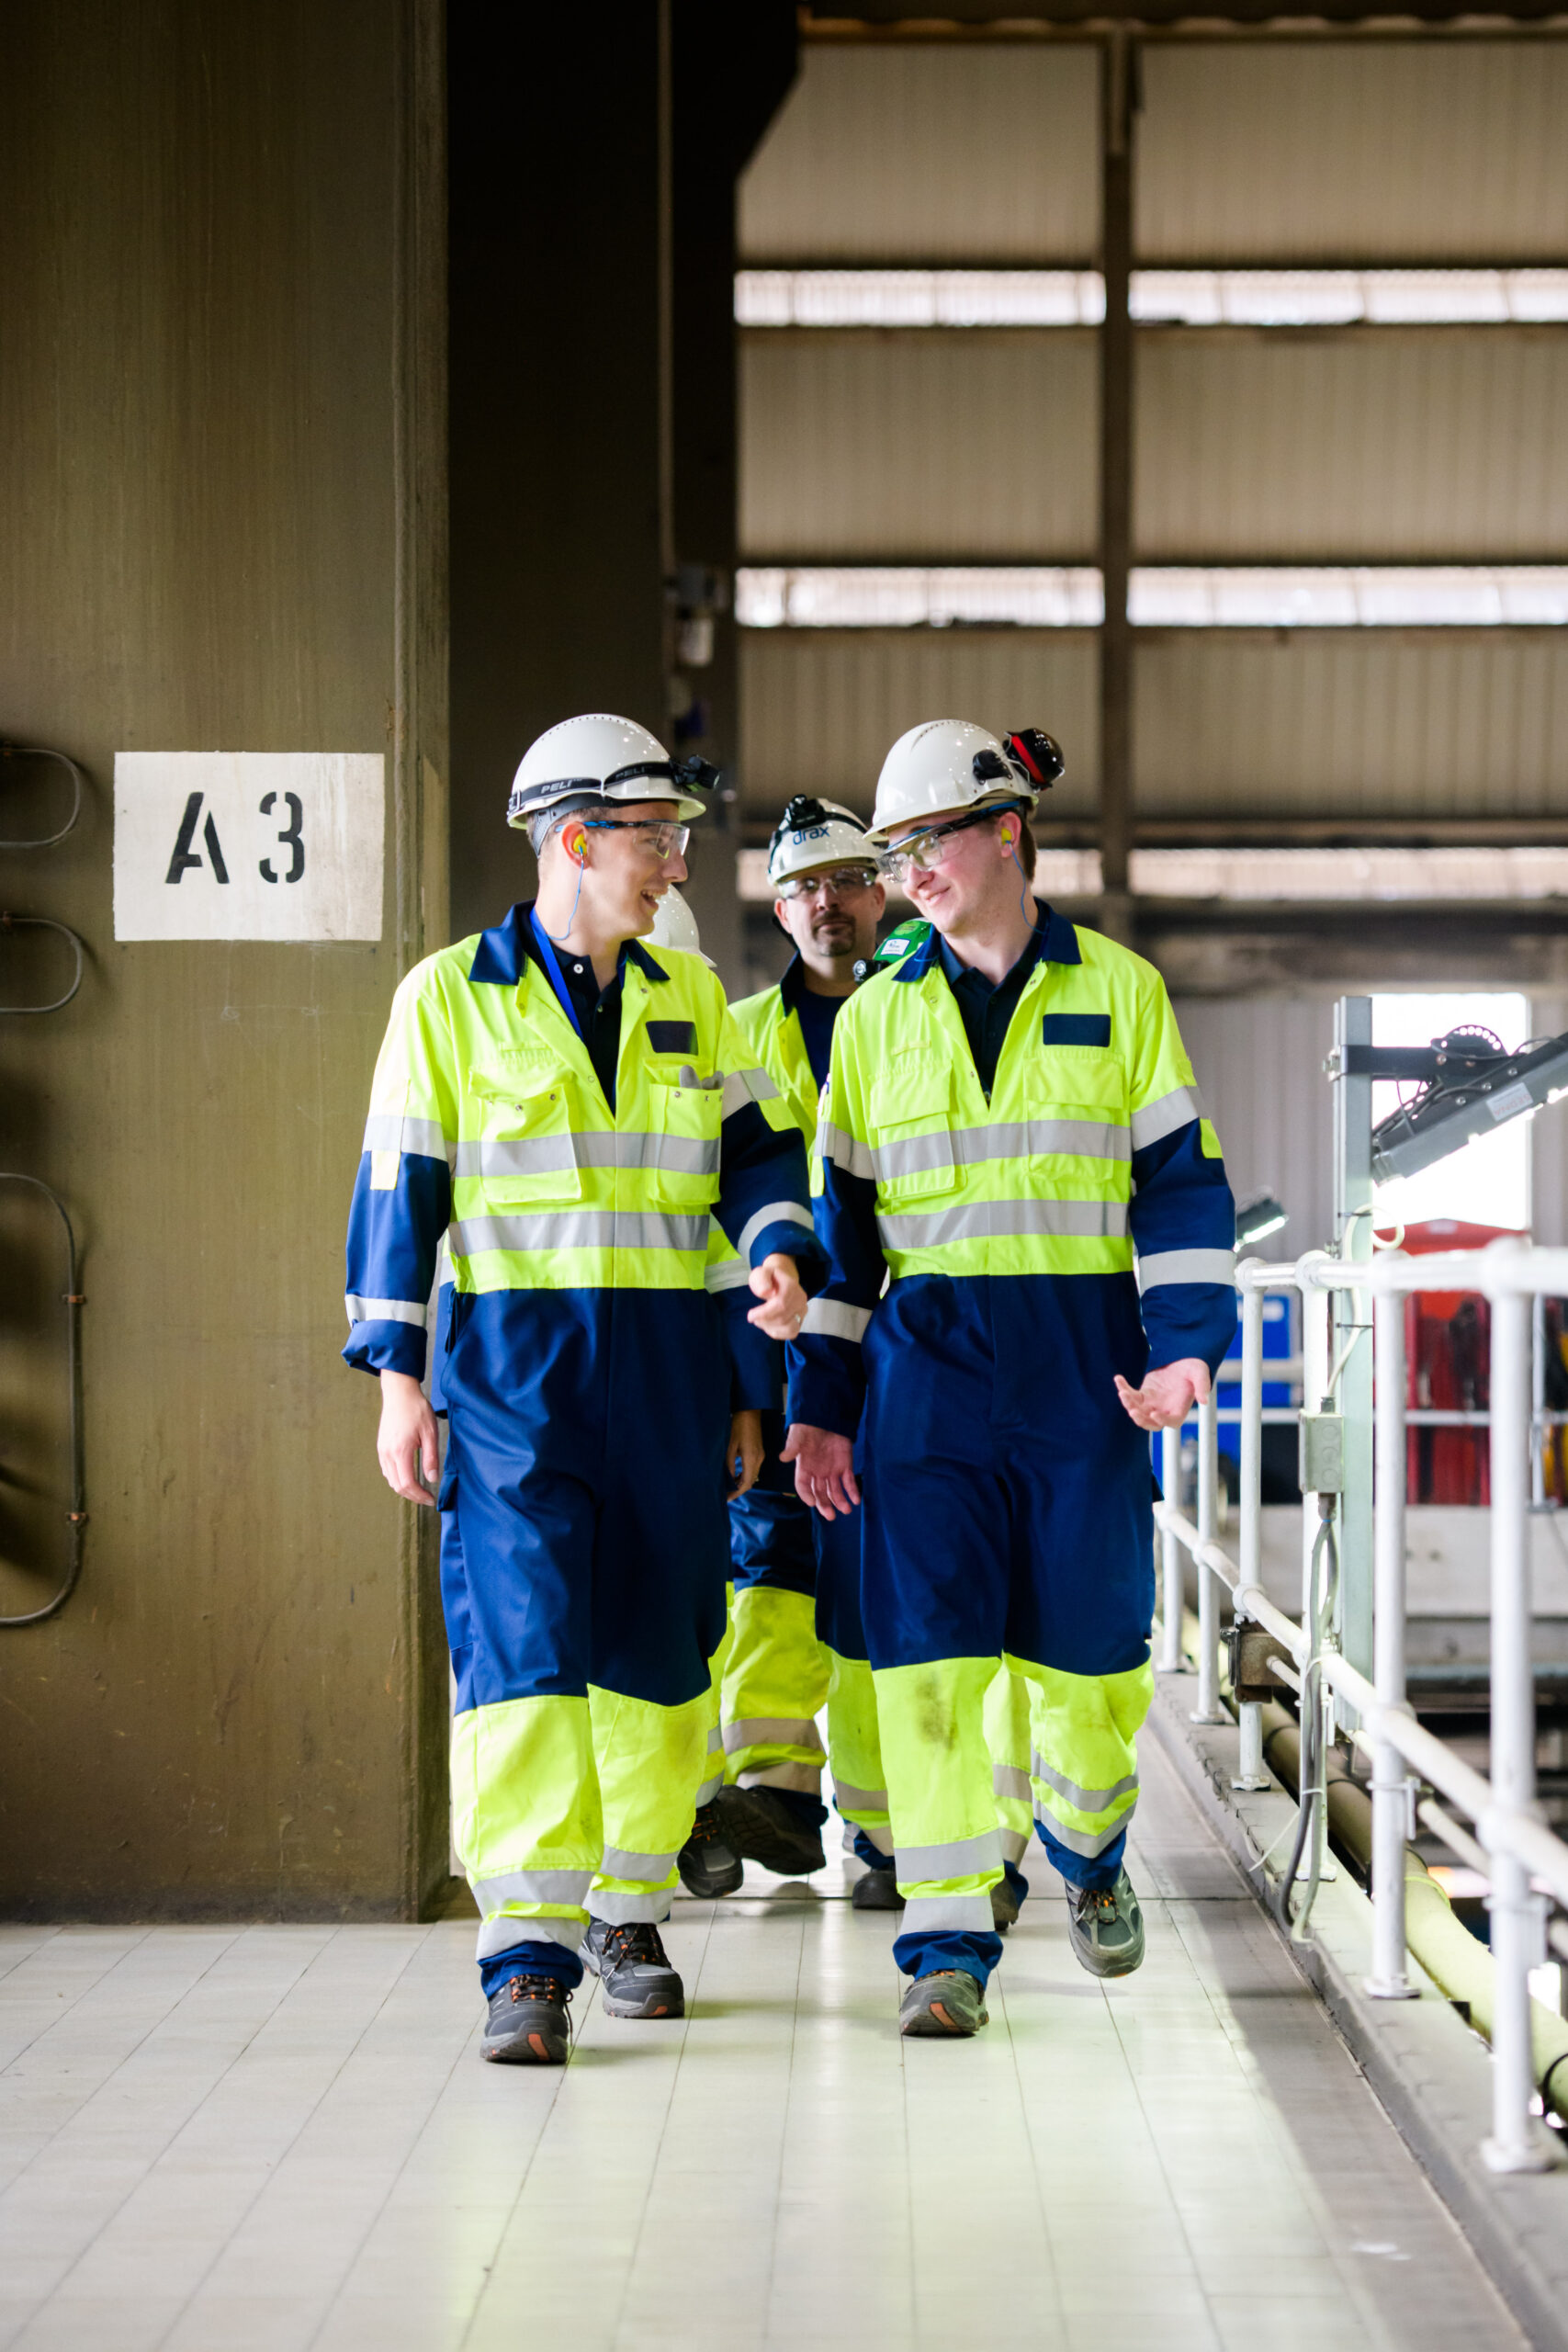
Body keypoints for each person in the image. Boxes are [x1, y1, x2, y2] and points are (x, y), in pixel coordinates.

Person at [344, 713, 821, 2064]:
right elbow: (399, 1191)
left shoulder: (689, 999)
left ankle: (628, 1908)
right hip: (514, 1384)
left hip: (670, 1383)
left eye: (677, 838)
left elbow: (754, 1162)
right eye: (655, 838)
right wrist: (398, 1380)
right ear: (575, 839)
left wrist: (774, 1271)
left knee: (662, 1654)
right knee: (530, 1655)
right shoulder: (450, 999)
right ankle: (530, 1952)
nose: (675, 863)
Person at [785, 718, 1236, 2039]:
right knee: (925, 1668)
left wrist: (1187, 1346)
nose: (910, 871)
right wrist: (821, 1407)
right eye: (898, 851)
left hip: (1082, 1380)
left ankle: (1088, 1854)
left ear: (1006, 831)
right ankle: (944, 1941)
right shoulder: (874, 1021)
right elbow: (844, 1237)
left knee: (1091, 1662)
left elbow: (1182, 1188)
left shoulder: (1122, 994)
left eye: (931, 842)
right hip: (925, 1384)